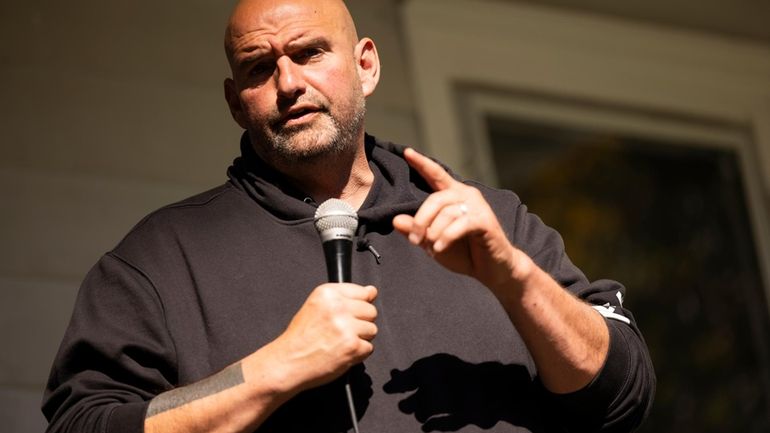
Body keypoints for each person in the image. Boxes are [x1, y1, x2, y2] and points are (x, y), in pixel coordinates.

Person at [42, 0, 655, 432]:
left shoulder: (488, 221)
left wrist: (514, 280)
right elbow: (86, 424)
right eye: (259, 67)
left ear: (366, 65)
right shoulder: (160, 260)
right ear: (235, 102)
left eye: (310, 53)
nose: (289, 83)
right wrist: (268, 372)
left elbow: (621, 396)